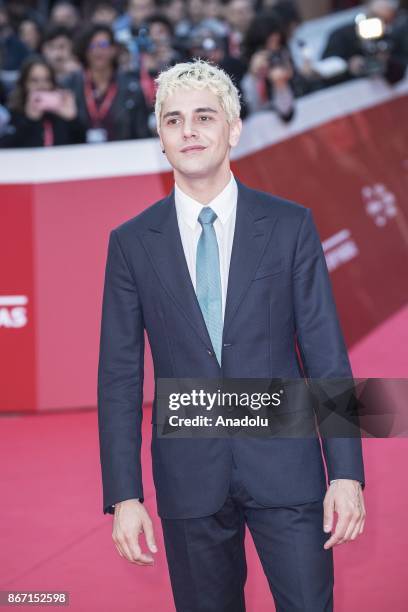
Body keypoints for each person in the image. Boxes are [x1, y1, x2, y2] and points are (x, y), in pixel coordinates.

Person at [97, 59, 366, 612]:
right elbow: (120, 377)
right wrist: (125, 494)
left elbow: (325, 355)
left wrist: (346, 472)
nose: (188, 131)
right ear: (162, 138)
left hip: (287, 471)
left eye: (203, 117)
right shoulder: (130, 243)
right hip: (189, 480)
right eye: (173, 121)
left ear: (233, 129)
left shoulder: (291, 225)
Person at [64, 24, 150, 143]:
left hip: (124, 155)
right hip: (80, 156)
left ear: (113, 49)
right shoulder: (71, 85)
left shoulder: (131, 88)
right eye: (92, 46)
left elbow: (141, 133)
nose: (97, 51)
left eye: (103, 45)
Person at [0, 56, 84, 147]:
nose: (41, 86)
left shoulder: (61, 114)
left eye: (47, 80)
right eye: (34, 80)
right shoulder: (13, 113)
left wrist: (72, 120)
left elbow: (82, 144)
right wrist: (29, 121)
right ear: (24, 84)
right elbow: (5, 148)